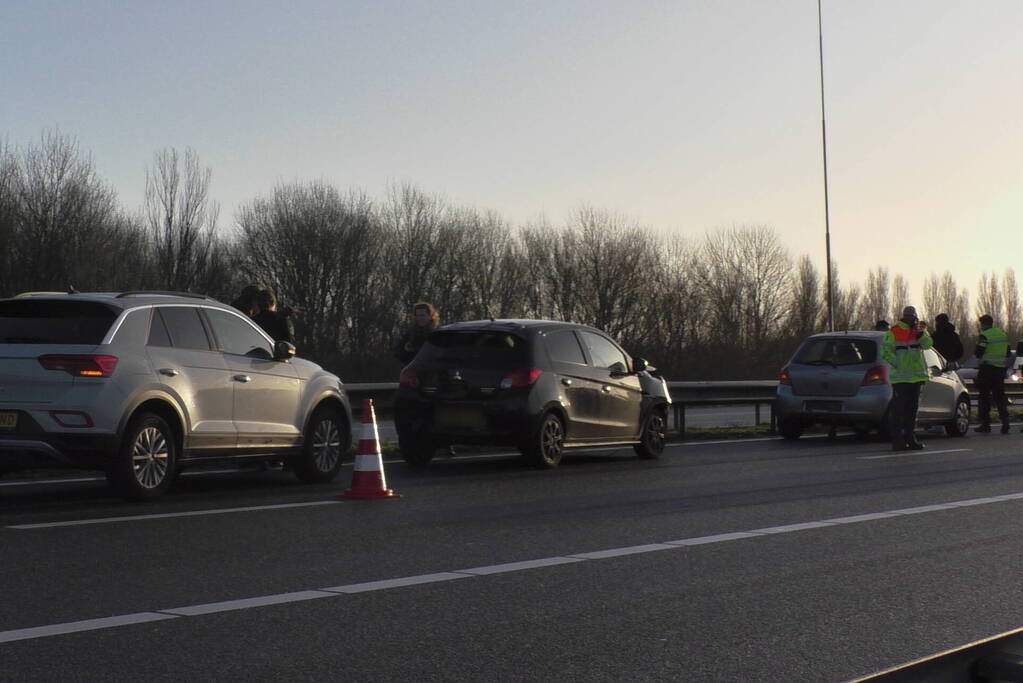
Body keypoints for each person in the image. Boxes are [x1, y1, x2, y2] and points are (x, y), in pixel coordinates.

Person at [880, 306, 933, 451]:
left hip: (915, 378)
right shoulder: (894, 332)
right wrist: (897, 362)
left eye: (912, 316)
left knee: (912, 411)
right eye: (908, 316)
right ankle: (898, 441)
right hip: (901, 379)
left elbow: (928, 345)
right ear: (904, 316)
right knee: (898, 411)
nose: (911, 319)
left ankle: (910, 438)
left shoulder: (919, 330)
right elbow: (885, 351)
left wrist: (921, 334)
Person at [973, 313, 1010, 434]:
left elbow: (979, 353)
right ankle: (1005, 422)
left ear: (983, 324)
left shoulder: (984, 335)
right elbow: (1008, 353)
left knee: (984, 397)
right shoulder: (1002, 334)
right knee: (999, 397)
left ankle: (985, 424)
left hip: (987, 369)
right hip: (1000, 370)